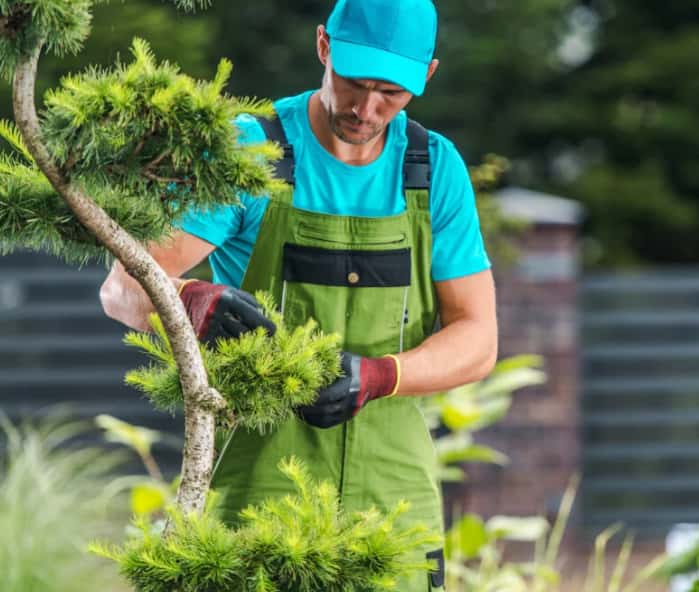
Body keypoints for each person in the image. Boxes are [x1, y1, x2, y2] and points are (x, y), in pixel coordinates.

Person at [99, 0, 497, 588]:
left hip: (393, 501)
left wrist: (378, 375)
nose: (367, 108)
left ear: (427, 75)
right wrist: (195, 302)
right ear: (323, 47)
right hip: (257, 494)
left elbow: (479, 339)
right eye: (353, 83)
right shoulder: (252, 154)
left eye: (391, 92)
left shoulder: (433, 170)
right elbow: (123, 285)